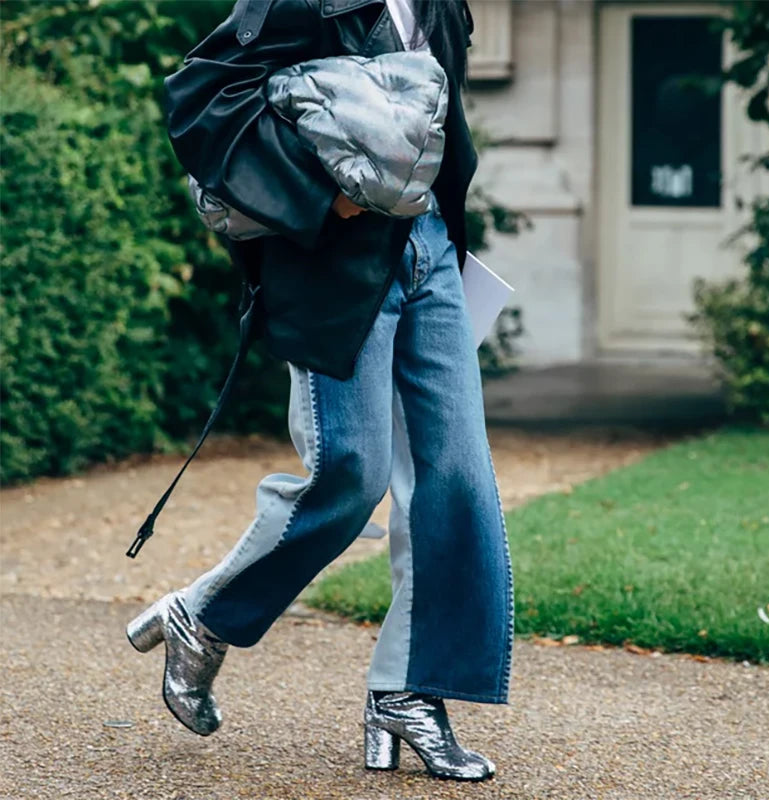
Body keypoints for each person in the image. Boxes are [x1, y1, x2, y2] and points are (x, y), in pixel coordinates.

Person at [126, 0, 514, 783]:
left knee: (458, 476)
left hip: (428, 248)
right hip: (335, 267)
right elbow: (203, 100)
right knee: (350, 472)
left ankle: (410, 693)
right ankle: (202, 618)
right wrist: (320, 196)